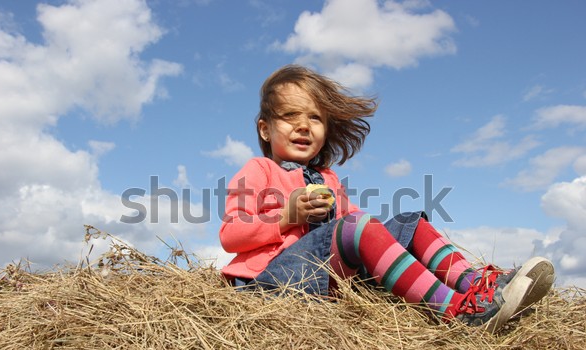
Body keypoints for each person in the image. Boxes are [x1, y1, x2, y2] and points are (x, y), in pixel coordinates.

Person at [219, 64, 554, 333]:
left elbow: (354, 228)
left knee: (408, 223)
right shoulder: (259, 169)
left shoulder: (328, 179)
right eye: (291, 116)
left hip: (327, 276)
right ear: (265, 129)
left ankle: (479, 287)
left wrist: (392, 235)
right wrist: (286, 216)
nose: (304, 126)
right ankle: (456, 313)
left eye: (315, 118)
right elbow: (231, 234)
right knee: (357, 226)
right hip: (273, 281)